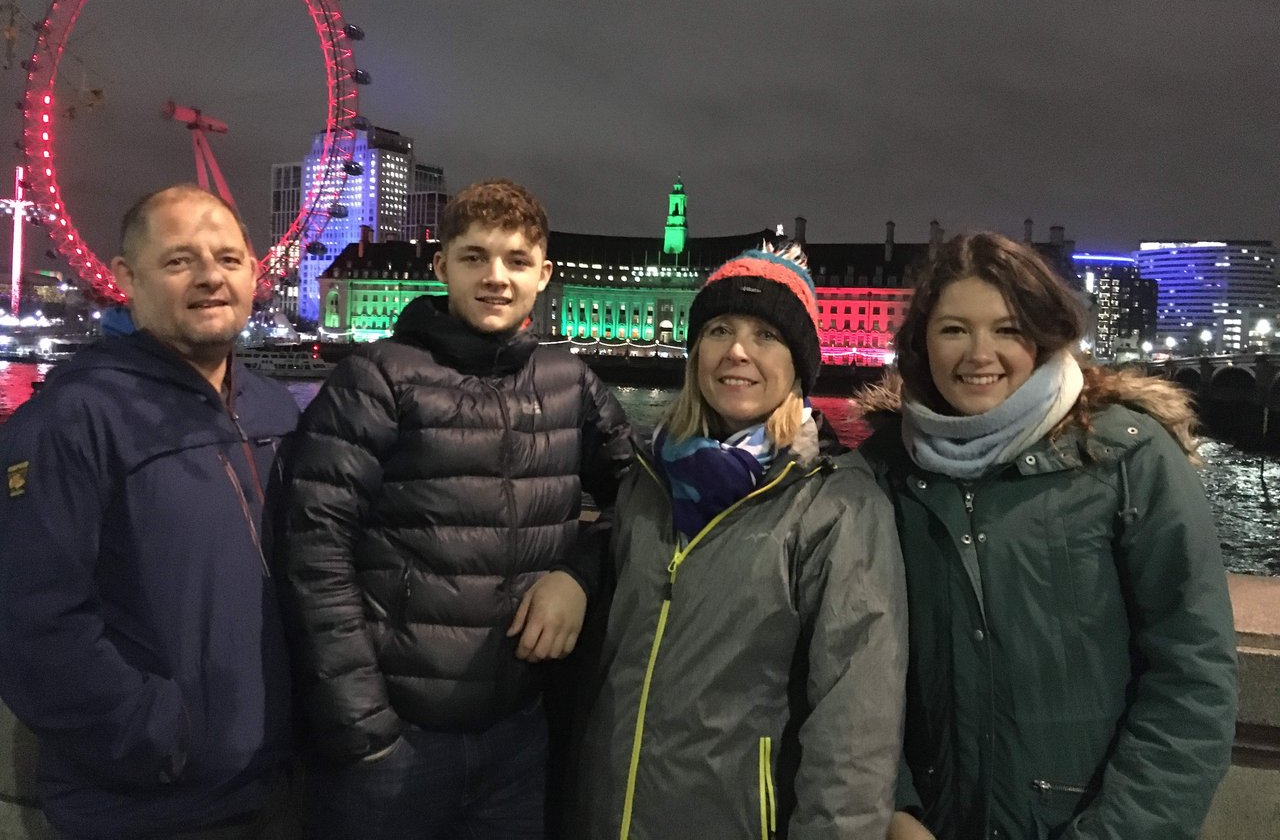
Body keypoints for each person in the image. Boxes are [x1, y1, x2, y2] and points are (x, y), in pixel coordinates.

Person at [275, 179, 632, 839]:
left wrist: (578, 576)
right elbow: (311, 547)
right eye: (475, 258)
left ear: (543, 275)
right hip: (394, 742)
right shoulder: (376, 379)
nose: (496, 277)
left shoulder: (570, 383)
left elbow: (640, 501)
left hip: (519, 736)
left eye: (516, 261)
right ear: (441, 267)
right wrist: (362, 727)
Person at [855, 232, 1238, 840]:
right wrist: (896, 808)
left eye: (1007, 329)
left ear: (1045, 334)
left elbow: (1194, 674)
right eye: (954, 329)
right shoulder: (884, 468)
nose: (980, 353)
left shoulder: (1126, 457)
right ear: (922, 342)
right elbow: (856, 667)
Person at [569, 242, 908, 840]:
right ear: (696, 350)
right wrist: (568, 574)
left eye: (768, 335)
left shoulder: (838, 505)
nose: (738, 351)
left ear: (800, 364)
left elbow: (854, 738)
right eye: (720, 329)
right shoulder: (646, 481)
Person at [0, 185, 301, 840]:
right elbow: (35, 624)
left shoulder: (276, 411)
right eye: (179, 261)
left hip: (273, 789)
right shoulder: (70, 421)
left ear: (254, 273)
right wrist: (161, 736)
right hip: (143, 808)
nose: (210, 277)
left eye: (227, 258)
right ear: (125, 280)